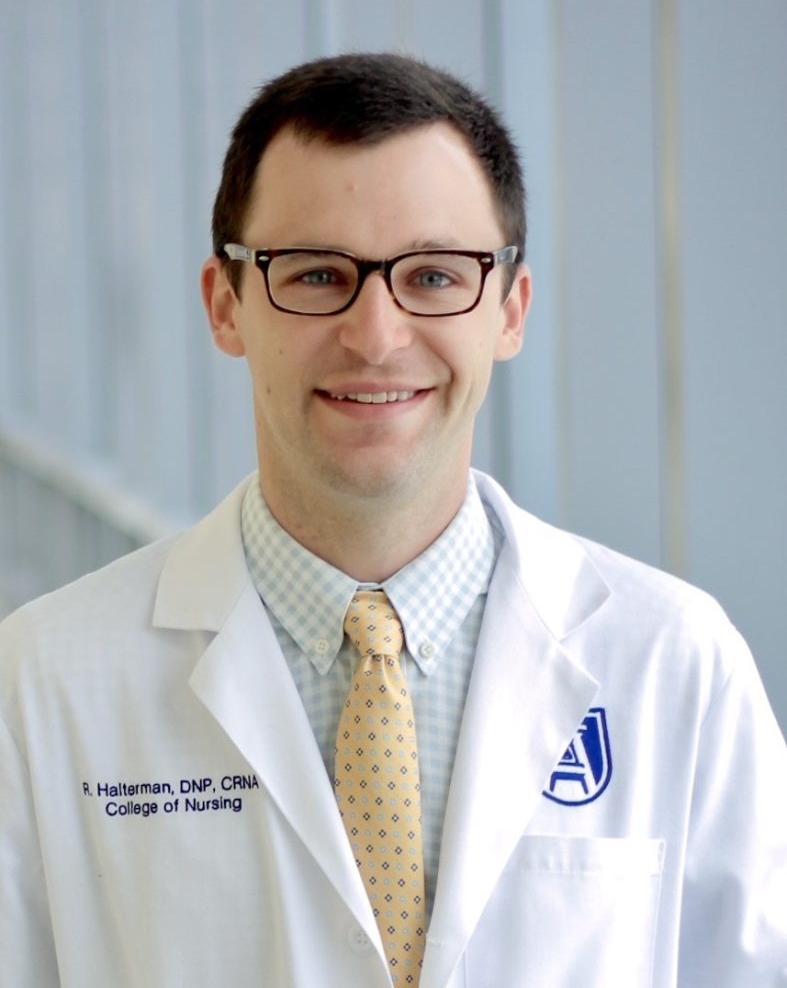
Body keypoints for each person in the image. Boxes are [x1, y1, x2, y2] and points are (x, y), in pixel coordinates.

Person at [1, 53, 785, 988]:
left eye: (434, 275)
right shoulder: (44, 681)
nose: (376, 336)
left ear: (508, 308)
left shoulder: (673, 663)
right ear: (225, 305)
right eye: (316, 273)